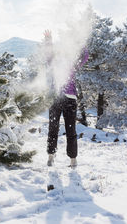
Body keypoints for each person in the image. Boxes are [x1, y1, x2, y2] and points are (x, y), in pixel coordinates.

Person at [44, 30, 89, 168]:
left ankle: (72, 159)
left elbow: (85, 56)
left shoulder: (71, 64)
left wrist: (81, 43)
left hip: (68, 100)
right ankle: (51, 157)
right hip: (57, 99)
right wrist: (48, 40)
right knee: (55, 128)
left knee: (67, 129)